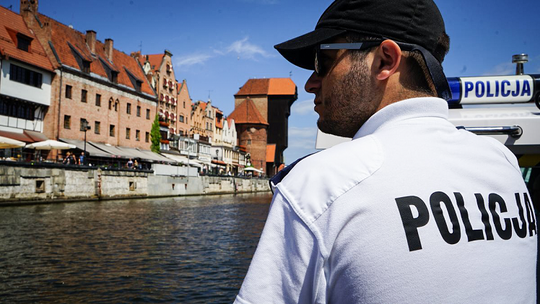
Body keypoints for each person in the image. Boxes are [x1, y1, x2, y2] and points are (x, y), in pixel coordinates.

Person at [234, 0, 537, 303]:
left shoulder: (321, 186)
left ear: (385, 60)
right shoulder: (503, 163)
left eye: (323, 62)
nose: (311, 83)